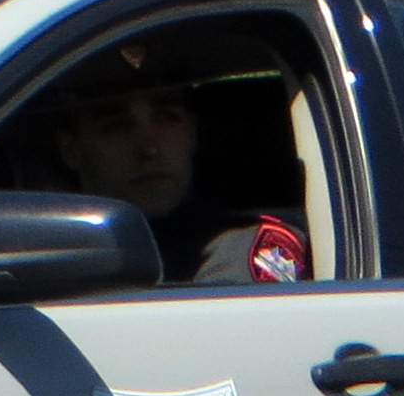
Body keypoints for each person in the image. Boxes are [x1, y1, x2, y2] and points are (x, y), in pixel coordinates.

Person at [42, 51, 307, 287]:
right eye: (117, 125)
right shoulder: (42, 258)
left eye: (167, 118)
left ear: (191, 132)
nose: (149, 149)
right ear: (70, 149)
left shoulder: (238, 246)